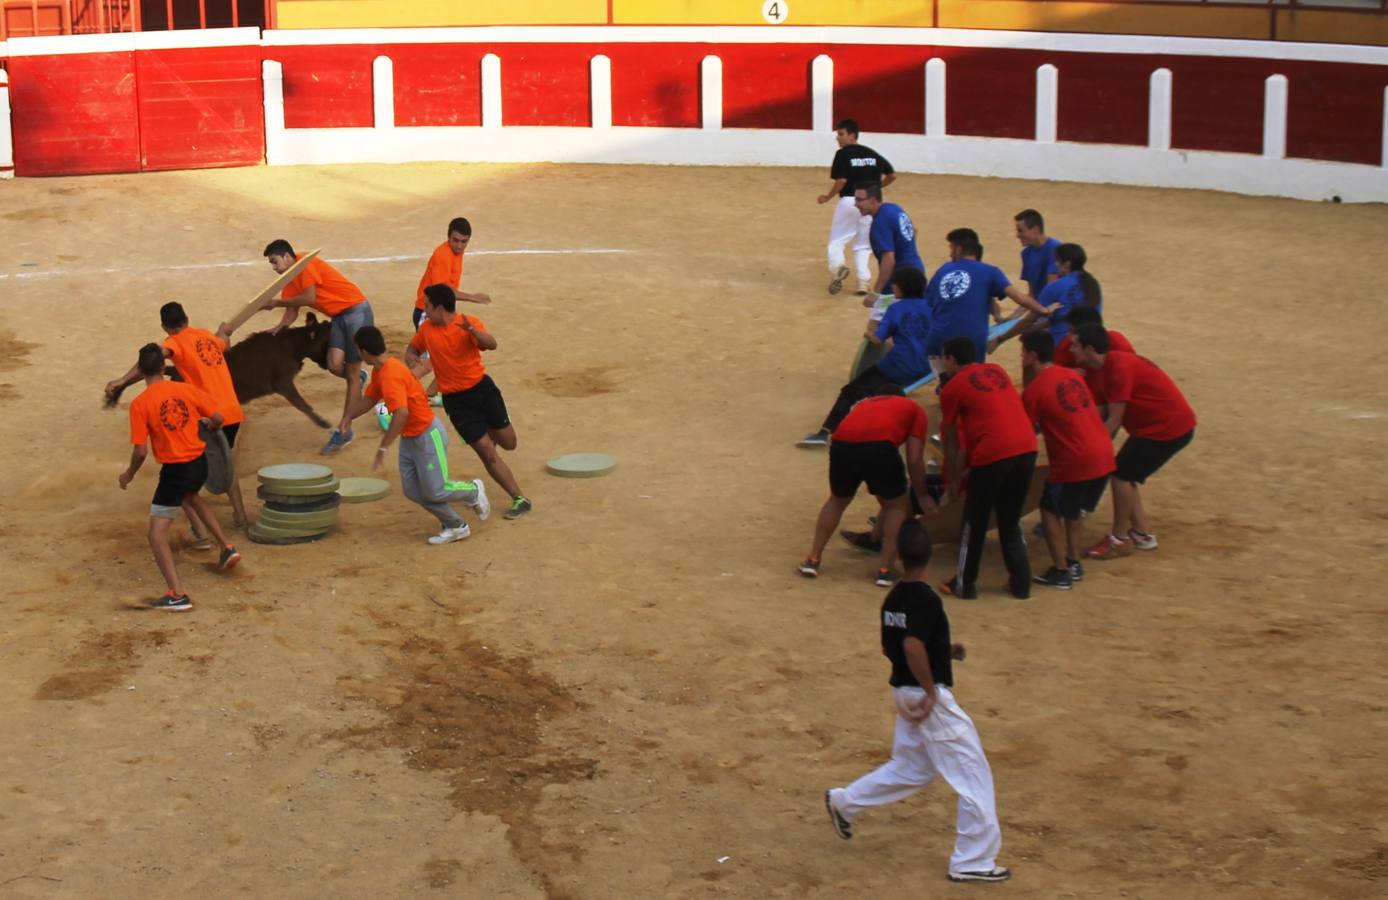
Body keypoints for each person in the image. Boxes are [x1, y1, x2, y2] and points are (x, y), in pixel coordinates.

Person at [824, 520, 1011, 885]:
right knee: (972, 773)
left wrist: (943, 651)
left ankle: (844, 802)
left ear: (899, 555)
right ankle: (973, 859)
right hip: (925, 698)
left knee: (913, 768)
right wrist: (930, 691)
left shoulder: (893, 598)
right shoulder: (926, 599)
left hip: (903, 692)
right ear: (929, 558)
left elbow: (895, 646)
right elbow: (912, 645)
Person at [104, 301, 249, 531]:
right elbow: (224, 345)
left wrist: (123, 380)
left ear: (164, 327)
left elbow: (152, 361)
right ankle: (240, 517)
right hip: (231, 411)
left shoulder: (175, 343)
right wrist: (224, 332)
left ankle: (199, 529)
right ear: (187, 319)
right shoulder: (206, 336)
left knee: (187, 470)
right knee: (225, 464)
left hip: (208, 414)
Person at [118, 343, 241, 611]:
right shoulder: (185, 390)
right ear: (164, 367)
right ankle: (226, 547)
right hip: (199, 463)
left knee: (156, 534)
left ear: (142, 371)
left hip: (175, 471)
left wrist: (129, 474)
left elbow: (140, 451)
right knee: (192, 496)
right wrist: (209, 424)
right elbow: (218, 418)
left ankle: (177, 594)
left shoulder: (140, 404)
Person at [344, 326, 490, 544]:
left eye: (358, 349)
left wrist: (383, 447)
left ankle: (473, 491)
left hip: (427, 436)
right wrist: (348, 417)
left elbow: (401, 413)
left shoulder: (391, 375)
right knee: (413, 491)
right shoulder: (380, 371)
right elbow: (370, 399)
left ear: (365, 351)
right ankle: (456, 525)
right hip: (411, 438)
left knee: (437, 490)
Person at [406, 284, 533, 520]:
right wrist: (411, 355)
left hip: (483, 391)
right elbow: (414, 347)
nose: (424, 309)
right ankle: (519, 498)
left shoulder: (468, 322)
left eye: (427, 306)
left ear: (439, 309)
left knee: (509, 443)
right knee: (486, 452)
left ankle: (488, 433)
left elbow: (491, 344)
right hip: (456, 402)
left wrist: (472, 331)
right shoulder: (427, 329)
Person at [1071, 325, 1196, 559]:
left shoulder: (1118, 367)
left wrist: (1090, 452)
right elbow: (1099, 415)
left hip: (1166, 428)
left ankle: (1119, 539)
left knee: (1121, 475)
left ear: (1089, 349)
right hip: (1159, 426)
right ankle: (1142, 533)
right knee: (1127, 474)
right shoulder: (1098, 369)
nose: (1071, 349)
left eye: (1075, 345)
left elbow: (1114, 420)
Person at [798, 385, 933, 587]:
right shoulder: (913, 408)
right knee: (897, 506)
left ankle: (813, 558)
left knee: (837, 501)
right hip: (880, 448)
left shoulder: (864, 404)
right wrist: (922, 495)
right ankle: (886, 570)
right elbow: (914, 459)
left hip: (841, 445)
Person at [937, 337, 1038, 600]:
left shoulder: (952, 388)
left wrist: (952, 482)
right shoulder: (997, 371)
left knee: (974, 521)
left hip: (993, 452)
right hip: (1027, 447)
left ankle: (964, 583)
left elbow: (951, 440)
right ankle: (1021, 583)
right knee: (1010, 519)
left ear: (950, 359)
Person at [257, 239, 375, 455]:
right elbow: (293, 309)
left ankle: (345, 430)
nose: (273, 267)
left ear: (286, 256)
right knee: (334, 365)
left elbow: (309, 298)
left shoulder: (305, 263)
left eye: (274, 262)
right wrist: (279, 328)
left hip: (356, 312)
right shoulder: (289, 276)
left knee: (351, 374)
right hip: (339, 316)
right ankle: (358, 379)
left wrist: (276, 303)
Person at [1019, 332, 1115, 589]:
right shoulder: (1073, 376)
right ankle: (1073, 562)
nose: (1021, 357)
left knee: (1050, 510)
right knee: (1073, 511)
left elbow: (1025, 432)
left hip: (1074, 460)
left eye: (1023, 352)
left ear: (1032, 355)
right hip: (1103, 454)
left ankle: (1061, 570)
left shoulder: (1035, 391)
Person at [797, 267, 932, 448]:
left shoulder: (895, 308)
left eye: (895, 284)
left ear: (902, 287)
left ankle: (824, 433)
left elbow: (878, 339)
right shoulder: (932, 306)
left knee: (850, 391)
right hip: (925, 368)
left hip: (897, 366)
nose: (892, 287)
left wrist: (868, 334)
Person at [926, 229, 1056, 372]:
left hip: (937, 340)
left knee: (945, 381)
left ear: (959, 249)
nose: (950, 254)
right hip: (970, 342)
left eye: (951, 248)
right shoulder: (990, 271)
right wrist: (1045, 310)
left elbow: (930, 302)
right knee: (971, 379)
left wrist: (997, 315)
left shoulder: (943, 270)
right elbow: (1020, 298)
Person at [818, 119, 895, 296]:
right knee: (863, 245)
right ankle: (863, 281)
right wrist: (877, 189)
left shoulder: (842, 154)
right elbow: (892, 175)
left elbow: (841, 180)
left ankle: (838, 268)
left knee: (837, 241)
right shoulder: (871, 153)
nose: (838, 138)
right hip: (872, 204)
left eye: (841, 134)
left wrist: (827, 197)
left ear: (852, 135)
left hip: (849, 201)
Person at [854, 184, 924, 313]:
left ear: (872, 200)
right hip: (917, 273)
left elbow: (888, 259)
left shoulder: (880, 223)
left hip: (898, 283)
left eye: (859, 200)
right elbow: (913, 230)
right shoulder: (894, 208)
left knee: (877, 324)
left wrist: (875, 293)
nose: (856, 204)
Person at [1014, 208, 1061, 301]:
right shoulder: (1026, 254)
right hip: (1041, 305)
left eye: (1020, 231)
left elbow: (1052, 292)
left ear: (1035, 229)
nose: (1017, 235)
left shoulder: (1055, 249)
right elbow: (1032, 294)